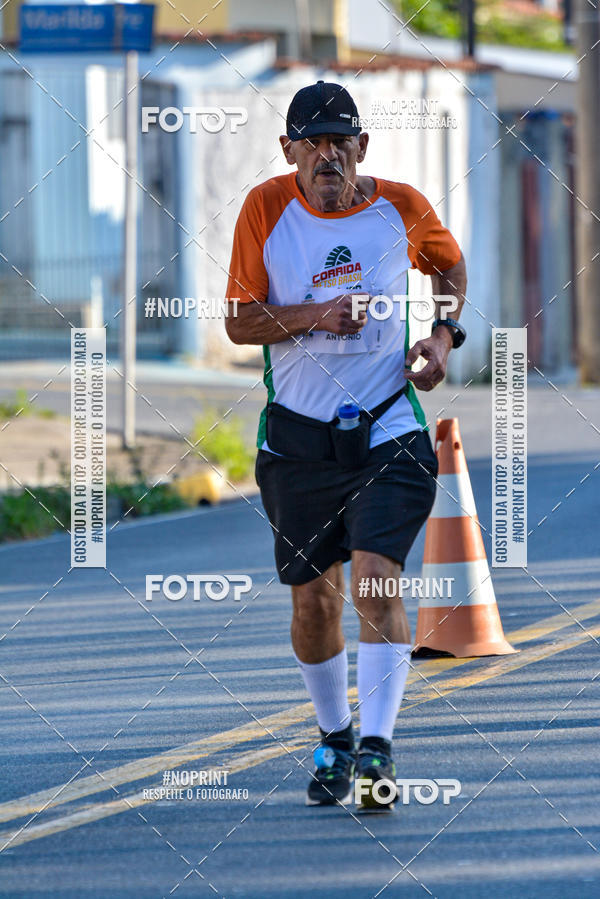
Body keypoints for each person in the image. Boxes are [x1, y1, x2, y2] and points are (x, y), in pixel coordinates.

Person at [225, 81, 467, 808]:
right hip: (297, 441)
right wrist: (317, 315)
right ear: (288, 150)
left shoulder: (402, 206)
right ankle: (335, 736)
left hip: (389, 426)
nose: (329, 155)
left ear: (363, 147)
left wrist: (443, 334)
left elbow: (448, 267)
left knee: (374, 577)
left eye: (342, 141)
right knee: (313, 603)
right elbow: (239, 322)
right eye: (313, 141)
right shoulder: (266, 210)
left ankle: (379, 748)